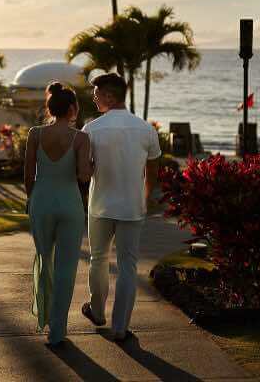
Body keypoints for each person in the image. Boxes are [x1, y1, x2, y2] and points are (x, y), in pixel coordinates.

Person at [80, 72, 161, 342]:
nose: (93, 97)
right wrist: (146, 197)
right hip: (131, 207)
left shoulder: (91, 129)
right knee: (128, 265)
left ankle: (98, 311)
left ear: (109, 96)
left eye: (96, 93)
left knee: (98, 259)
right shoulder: (146, 129)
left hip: (100, 205)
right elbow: (152, 170)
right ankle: (119, 327)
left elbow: (84, 170)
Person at [24, 81, 92, 347]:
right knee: (66, 269)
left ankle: (46, 318)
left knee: (44, 261)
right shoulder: (80, 138)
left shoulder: (35, 134)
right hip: (70, 204)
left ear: (50, 107)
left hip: (41, 201)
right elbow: (84, 175)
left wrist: (32, 198)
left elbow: (29, 175)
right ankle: (57, 333)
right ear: (72, 108)